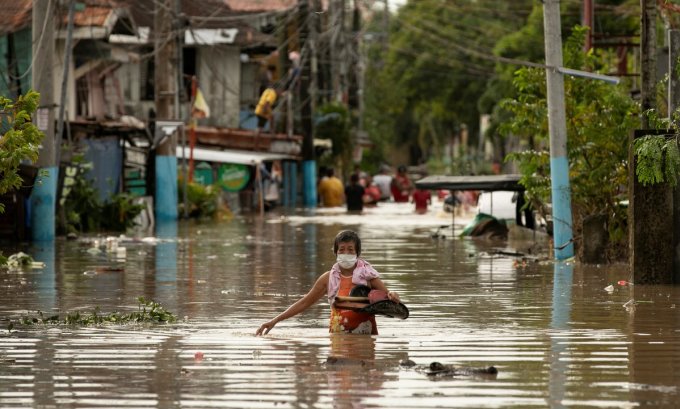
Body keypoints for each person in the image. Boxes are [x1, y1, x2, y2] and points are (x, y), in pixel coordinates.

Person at [255, 230, 400, 335]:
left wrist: (393, 295)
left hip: (365, 338)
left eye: (350, 250)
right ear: (336, 252)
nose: (346, 253)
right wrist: (275, 320)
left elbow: (388, 300)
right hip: (337, 336)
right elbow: (305, 302)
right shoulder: (328, 278)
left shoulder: (369, 276)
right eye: (342, 250)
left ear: (357, 253)